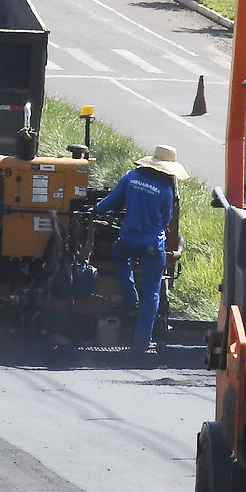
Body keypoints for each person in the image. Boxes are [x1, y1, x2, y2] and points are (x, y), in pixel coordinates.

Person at [95, 144, 185, 354]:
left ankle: (129, 295)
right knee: (152, 293)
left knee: (118, 256)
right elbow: (166, 219)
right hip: (154, 245)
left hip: (128, 240)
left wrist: (94, 210)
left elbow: (111, 202)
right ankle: (141, 343)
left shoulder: (131, 177)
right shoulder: (166, 189)